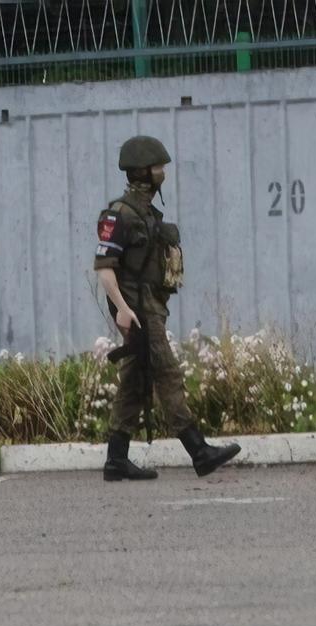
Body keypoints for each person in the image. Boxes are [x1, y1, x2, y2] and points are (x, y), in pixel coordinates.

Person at [94, 136, 241, 481]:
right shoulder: (119, 214)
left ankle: (116, 459)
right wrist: (122, 309)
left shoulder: (145, 212)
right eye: (158, 167)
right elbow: (104, 268)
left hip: (150, 306)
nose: (163, 172)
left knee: (136, 380)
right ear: (142, 171)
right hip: (138, 310)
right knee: (168, 374)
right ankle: (199, 451)